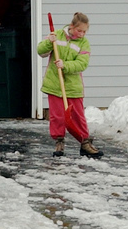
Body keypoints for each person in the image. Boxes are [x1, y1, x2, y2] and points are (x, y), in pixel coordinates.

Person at [37, 12, 102, 158]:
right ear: (71, 27)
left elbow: (82, 63)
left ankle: (84, 143)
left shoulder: (84, 43)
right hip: (54, 85)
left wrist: (65, 65)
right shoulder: (57, 35)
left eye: (85, 31)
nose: (82, 34)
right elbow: (41, 51)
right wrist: (49, 41)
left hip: (73, 87)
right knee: (57, 117)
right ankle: (59, 142)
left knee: (78, 116)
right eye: (79, 30)